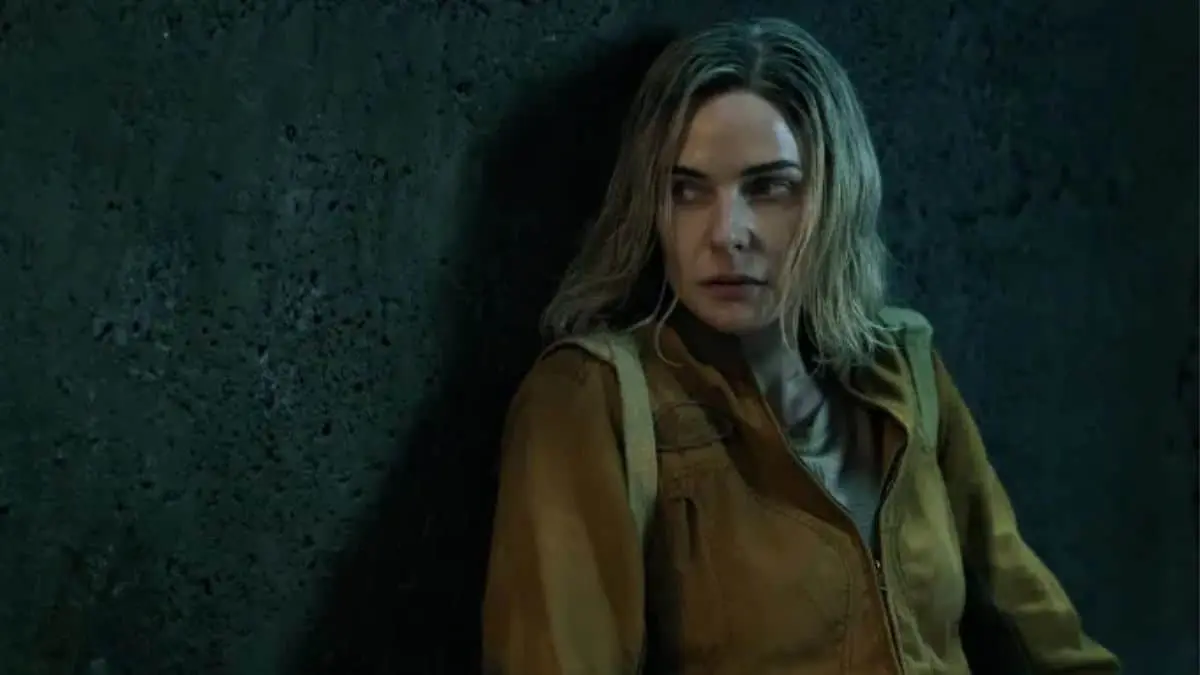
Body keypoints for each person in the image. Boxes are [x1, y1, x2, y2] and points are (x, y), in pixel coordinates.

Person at [481, 17, 1119, 675]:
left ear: (833, 198)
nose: (727, 233)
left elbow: (1039, 629)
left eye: (769, 187)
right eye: (687, 190)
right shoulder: (594, 402)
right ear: (651, 208)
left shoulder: (901, 366)